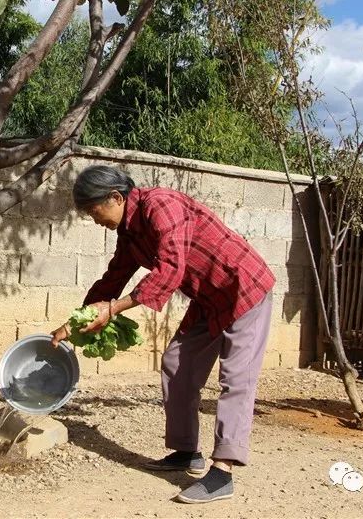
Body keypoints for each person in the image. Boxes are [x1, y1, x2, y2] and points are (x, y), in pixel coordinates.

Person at [51, 165, 275, 504]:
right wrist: (76, 322)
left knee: (236, 377)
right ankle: (186, 452)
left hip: (243, 288)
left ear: (116, 197)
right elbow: (114, 277)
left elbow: (171, 268)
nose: (95, 220)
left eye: (94, 212)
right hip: (208, 298)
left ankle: (223, 471)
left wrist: (113, 309)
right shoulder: (129, 232)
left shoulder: (161, 204)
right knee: (177, 363)